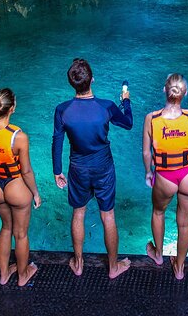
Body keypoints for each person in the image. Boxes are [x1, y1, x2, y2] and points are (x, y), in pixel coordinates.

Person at [52, 58, 133, 279]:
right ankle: (113, 266)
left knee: (78, 213)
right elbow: (127, 123)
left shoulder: (62, 110)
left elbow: (57, 140)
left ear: (72, 83)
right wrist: (126, 101)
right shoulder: (106, 106)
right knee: (108, 215)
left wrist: (57, 170)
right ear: (92, 80)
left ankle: (78, 263)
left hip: (78, 167)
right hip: (103, 166)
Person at [142, 74, 188, 280]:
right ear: (184, 93)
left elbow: (146, 153)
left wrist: (148, 172)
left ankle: (159, 255)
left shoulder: (152, 119)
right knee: (184, 223)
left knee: (159, 212)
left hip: (165, 177)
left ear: (164, 90)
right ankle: (179, 267)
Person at [0, 88, 41, 286]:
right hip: (16, 185)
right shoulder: (18, 136)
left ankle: (4, 274)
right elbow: (26, 171)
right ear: (12, 108)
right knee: (20, 234)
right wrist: (36, 193)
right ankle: (22, 276)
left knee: (5, 228)